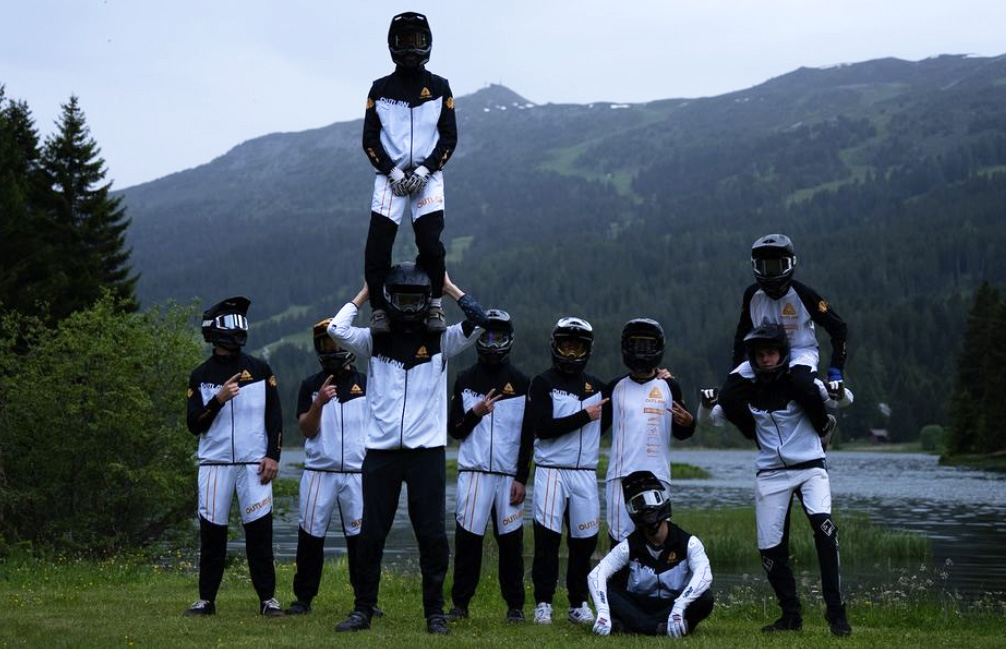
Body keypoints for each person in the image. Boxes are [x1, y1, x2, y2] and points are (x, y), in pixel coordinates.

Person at [328, 265, 486, 635]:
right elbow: (335, 330)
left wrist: (449, 288)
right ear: (390, 300)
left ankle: (434, 613)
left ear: (426, 301)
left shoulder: (442, 340)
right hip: (380, 453)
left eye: (418, 299)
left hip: (426, 454)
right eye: (403, 299)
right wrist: (365, 291)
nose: (410, 307)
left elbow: (482, 322)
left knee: (431, 535)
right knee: (371, 534)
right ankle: (362, 610)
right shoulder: (373, 340)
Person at [707, 323, 854, 637]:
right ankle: (791, 616)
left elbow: (844, 399)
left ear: (782, 353)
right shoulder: (746, 387)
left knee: (825, 533)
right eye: (760, 355)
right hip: (770, 473)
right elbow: (716, 417)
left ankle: (837, 614)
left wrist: (838, 391)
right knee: (770, 551)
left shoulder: (799, 382)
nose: (766, 360)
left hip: (810, 466)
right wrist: (709, 404)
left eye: (771, 352)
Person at [183, 296, 284, 617]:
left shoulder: (260, 369)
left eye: (240, 322)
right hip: (214, 467)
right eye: (229, 323)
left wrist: (272, 456)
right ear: (214, 331)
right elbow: (193, 425)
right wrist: (218, 399)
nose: (237, 330)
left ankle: (268, 600)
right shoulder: (200, 376)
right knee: (212, 537)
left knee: (260, 536)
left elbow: (275, 416)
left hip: (254, 466)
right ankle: (206, 600)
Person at [363, 11, 457, 335]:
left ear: (428, 43)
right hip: (389, 177)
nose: (410, 48)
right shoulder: (379, 89)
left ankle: (433, 305)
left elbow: (449, 138)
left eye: (417, 40)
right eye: (403, 41)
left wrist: (426, 169)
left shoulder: (441, 88)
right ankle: (378, 309)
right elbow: (369, 139)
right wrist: (391, 171)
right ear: (391, 44)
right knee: (378, 245)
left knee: (431, 244)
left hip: (428, 176)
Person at [446, 309, 532, 623]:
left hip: (508, 477)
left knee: (511, 544)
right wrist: (476, 413)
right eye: (487, 335)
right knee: (468, 541)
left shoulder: (523, 382)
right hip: (473, 474)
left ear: (509, 339)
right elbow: (454, 430)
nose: (493, 342)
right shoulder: (465, 380)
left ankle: (515, 607)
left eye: (499, 336)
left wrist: (522, 477)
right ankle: (460, 605)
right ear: (479, 338)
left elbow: (527, 437)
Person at [285, 319, 376, 616]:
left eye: (335, 342)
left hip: (357, 474)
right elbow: (307, 430)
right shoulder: (311, 386)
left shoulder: (367, 384)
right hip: (318, 473)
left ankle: (365, 601)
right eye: (324, 343)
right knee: (310, 537)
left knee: (360, 541)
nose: (330, 348)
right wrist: (319, 404)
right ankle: (303, 598)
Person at [524, 316, 610, 626]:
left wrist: (662, 376)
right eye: (566, 346)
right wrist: (584, 416)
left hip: (585, 473)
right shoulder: (542, 382)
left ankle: (578, 604)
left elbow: (630, 391)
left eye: (577, 348)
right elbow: (543, 428)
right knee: (547, 542)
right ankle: (543, 604)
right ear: (556, 347)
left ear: (587, 350)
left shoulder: (599, 388)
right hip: (550, 471)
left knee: (583, 544)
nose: (571, 353)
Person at [717, 234, 848, 430]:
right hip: (762, 357)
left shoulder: (803, 294)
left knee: (802, 386)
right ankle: (759, 435)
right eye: (765, 267)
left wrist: (836, 369)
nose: (770, 274)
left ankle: (823, 427)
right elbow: (741, 333)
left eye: (776, 266)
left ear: (790, 264)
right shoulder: (752, 295)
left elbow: (838, 327)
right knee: (728, 397)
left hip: (799, 352)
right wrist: (736, 367)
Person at [588, 470, 714, 637]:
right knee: (605, 588)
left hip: (673, 604)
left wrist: (679, 607)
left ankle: (632, 626)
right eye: (638, 504)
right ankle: (658, 628)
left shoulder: (688, 543)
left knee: (705, 598)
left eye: (651, 500)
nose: (646, 508)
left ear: (663, 502)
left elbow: (705, 575)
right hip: (639, 604)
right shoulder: (629, 546)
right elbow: (595, 575)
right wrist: (603, 612)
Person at [605, 319, 696, 547]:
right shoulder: (615, 387)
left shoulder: (670, 386)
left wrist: (689, 422)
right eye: (636, 344)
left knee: (657, 541)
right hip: (620, 475)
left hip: (658, 475)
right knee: (620, 542)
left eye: (647, 345)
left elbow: (682, 432)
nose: (640, 351)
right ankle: (618, 584)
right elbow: (595, 428)